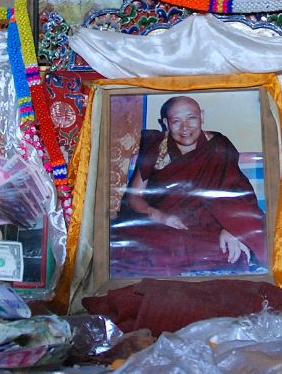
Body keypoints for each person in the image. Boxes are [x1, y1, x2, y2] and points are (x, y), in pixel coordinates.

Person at [111, 95, 267, 276]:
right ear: (165, 123)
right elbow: (134, 197)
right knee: (124, 244)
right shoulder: (156, 149)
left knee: (230, 251)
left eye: (191, 118)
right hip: (163, 228)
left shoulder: (218, 146)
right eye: (176, 121)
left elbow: (237, 193)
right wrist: (158, 215)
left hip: (208, 230)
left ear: (202, 116)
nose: (185, 128)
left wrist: (232, 229)